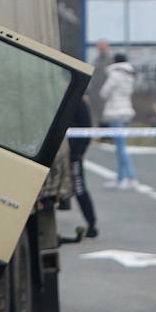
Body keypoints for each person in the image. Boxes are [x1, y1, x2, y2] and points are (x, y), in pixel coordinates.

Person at [99, 51, 139, 187]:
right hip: (127, 111)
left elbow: (104, 92)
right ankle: (121, 177)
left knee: (120, 147)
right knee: (121, 146)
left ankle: (131, 177)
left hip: (115, 112)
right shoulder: (129, 76)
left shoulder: (115, 75)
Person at [64, 86, 98, 239]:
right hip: (59, 152)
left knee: (79, 188)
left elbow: (86, 131)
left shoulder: (79, 102)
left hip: (73, 153)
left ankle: (91, 224)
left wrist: (78, 153)